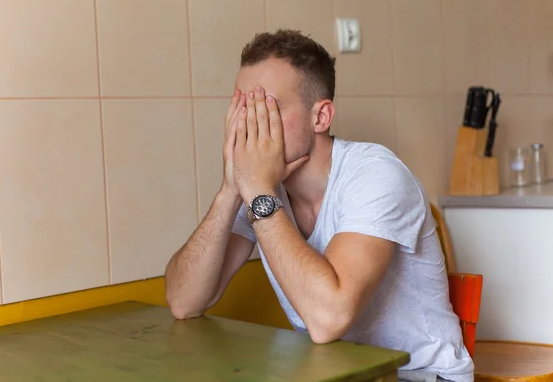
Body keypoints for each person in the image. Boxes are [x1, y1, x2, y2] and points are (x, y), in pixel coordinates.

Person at [164, 29, 474, 382]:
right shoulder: (261, 188)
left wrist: (258, 189)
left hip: (420, 376)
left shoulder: (375, 174)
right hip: (336, 375)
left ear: (321, 117)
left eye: (268, 108)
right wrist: (230, 189)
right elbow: (183, 302)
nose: (251, 125)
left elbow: (329, 318)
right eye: (244, 109)